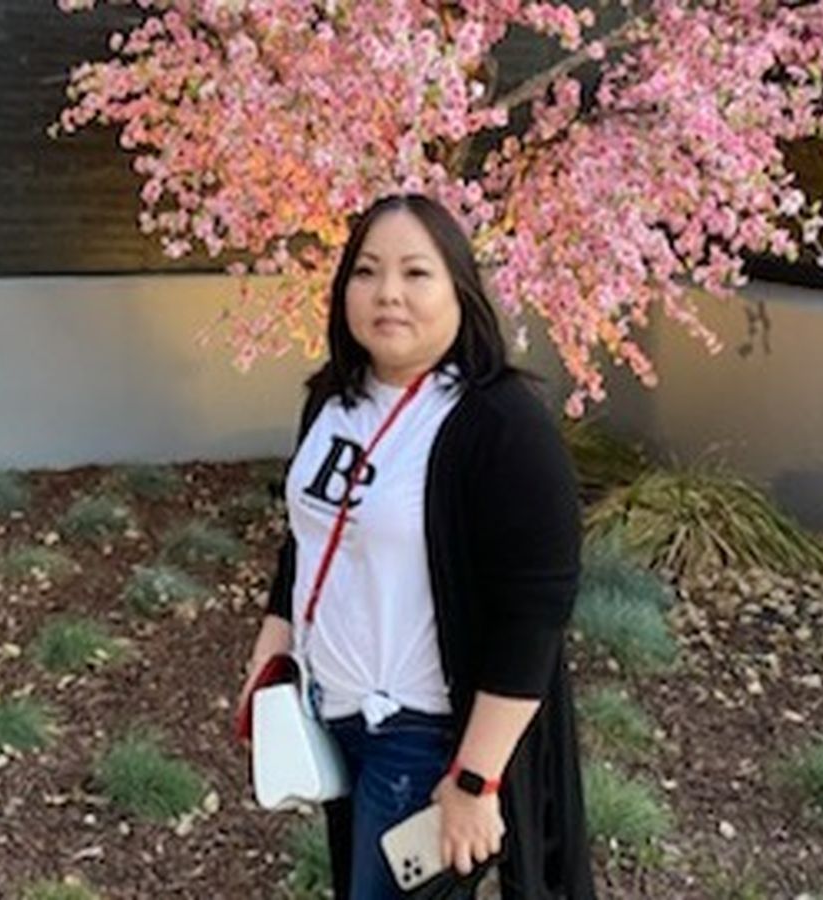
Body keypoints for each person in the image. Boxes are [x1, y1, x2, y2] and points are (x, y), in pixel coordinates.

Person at [236, 193, 597, 899]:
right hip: (333, 712)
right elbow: (308, 536)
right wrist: (271, 650)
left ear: (460, 289)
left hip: (421, 735)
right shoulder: (334, 399)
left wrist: (475, 778)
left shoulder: (500, 424)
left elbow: (536, 611)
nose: (388, 294)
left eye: (416, 273)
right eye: (366, 271)